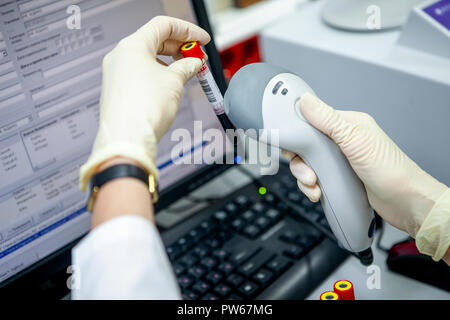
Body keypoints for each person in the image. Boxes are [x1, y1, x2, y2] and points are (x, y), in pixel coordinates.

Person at [71, 16, 450, 299]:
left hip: (360, 231)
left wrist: (122, 144)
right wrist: (427, 208)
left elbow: (123, 280)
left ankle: (360, 248)